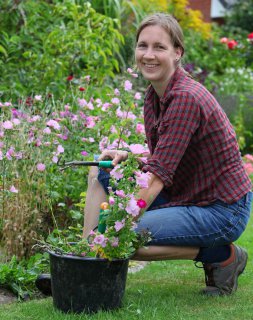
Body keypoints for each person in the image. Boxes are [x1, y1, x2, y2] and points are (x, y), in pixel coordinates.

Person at [36, 13, 252, 297]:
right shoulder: (154, 95)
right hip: (188, 193)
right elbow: (170, 154)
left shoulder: (186, 98)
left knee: (126, 238)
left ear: (177, 53)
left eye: (159, 47)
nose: (148, 55)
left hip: (221, 209)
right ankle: (86, 260)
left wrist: (117, 226)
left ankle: (223, 255)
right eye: (142, 46)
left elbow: (156, 180)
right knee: (102, 171)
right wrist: (130, 157)